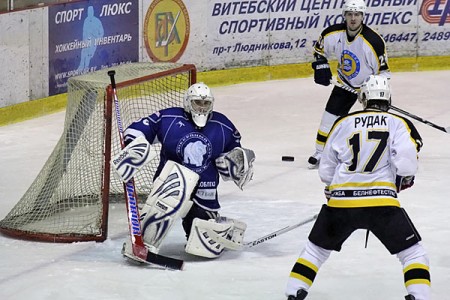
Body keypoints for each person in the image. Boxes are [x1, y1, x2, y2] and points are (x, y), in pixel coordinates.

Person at [285, 75, 430, 300]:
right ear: (388, 97)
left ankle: (292, 294)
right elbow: (407, 163)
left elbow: (326, 170)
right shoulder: (398, 123)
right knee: (413, 254)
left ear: (363, 98)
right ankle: (420, 297)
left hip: (341, 202)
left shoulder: (342, 122)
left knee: (315, 251)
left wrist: (334, 188)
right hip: (381, 204)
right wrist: (402, 179)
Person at [112, 82, 255, 260]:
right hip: (170, 185)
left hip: (205, 190)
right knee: (173, 193)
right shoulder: (168, 118)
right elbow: (135, 131)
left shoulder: (223, 125)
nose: (202, 108)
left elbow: (236, 155)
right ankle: (146, 242)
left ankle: (221, 228)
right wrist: (136, 147)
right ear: (188, 103)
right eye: (197, 103)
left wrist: (235, 165)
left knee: (204, 249)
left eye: (205, 104)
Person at [308, 0, 390, 168]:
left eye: (357, 14)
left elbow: (383, 73)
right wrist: (321, 65)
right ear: (344, 15)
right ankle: (321, 152)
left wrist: (374, 92)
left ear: (363, 16)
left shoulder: (373, 42)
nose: (353, 18)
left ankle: (381, 152)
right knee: (329, 120)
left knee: (375, 123)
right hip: (344, 84)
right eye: (350, 14)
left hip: (370, 87)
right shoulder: (333, 34)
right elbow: (319, 51)